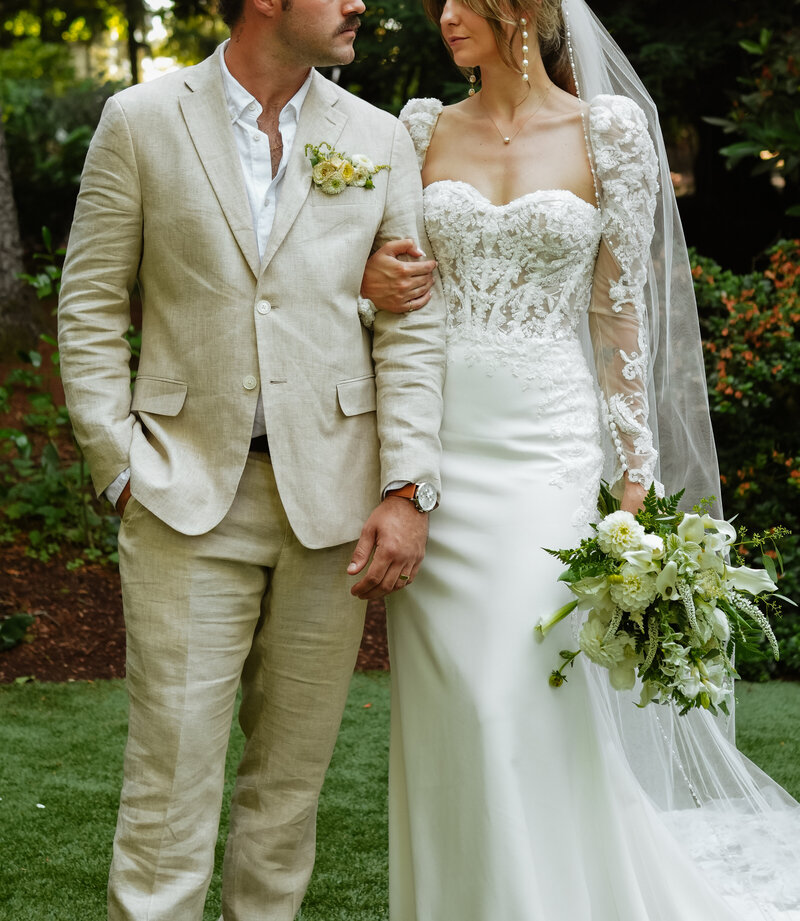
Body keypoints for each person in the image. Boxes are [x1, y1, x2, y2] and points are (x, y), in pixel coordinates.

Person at [360, 1, 800, 919]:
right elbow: (387, 279)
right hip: (438, 452)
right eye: (441, 3)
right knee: (452, 707)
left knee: (514, 696)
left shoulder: (609, 133)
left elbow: (618, 309)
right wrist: (374, 287)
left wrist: (636, 474)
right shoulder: (419, 130)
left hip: (547, 453)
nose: (446, 17)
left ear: (521, 8)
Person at [57, 1, 447, 918]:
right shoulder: (141, 121)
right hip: (183, 494)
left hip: (334, 506)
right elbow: (89, 303)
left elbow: (411, 325)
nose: (360, 3)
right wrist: (120, 465)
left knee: (288, 793)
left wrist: (407, 487)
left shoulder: (379, 137)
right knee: (169, 786)